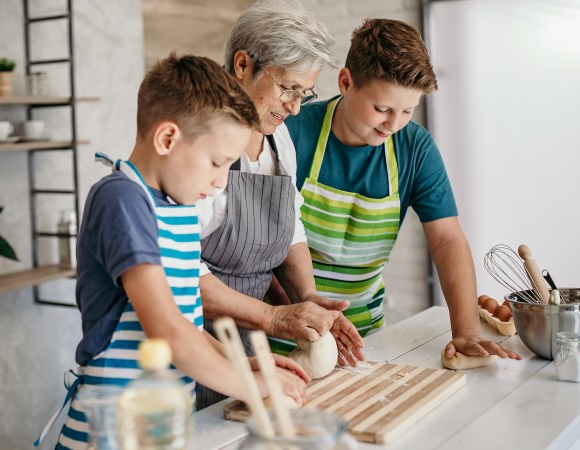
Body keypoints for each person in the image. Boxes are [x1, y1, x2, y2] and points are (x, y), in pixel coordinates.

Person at [44, 54, 309, 450]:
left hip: (160, 424)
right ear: (167, 139)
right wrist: (250, 385)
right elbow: (167, 331)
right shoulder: (121, 199)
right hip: (111, 430)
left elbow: (188, 323)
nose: (221, 183)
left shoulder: (178, 207)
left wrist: (243, 363)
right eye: (218, 163)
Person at [282, 18, 522, 361]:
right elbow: (268, 247)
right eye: (382, 109)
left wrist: (466, 331)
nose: (393, 125)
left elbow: (447, 240)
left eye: (407, 110)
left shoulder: (414, 148)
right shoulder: (293, 132)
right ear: (346, 82)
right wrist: (304, 316)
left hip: (364, 338)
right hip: (284, 334)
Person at [195, 0, 364, 408]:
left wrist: (306, 297)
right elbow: (179, 270)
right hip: (196, 347)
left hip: (251, 344)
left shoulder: (278, 139)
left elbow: (290, 226)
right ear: (242, 66)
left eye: (304, 94)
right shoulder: (201, 140)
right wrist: (274, 317)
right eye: (287, 88)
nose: (293, 106)